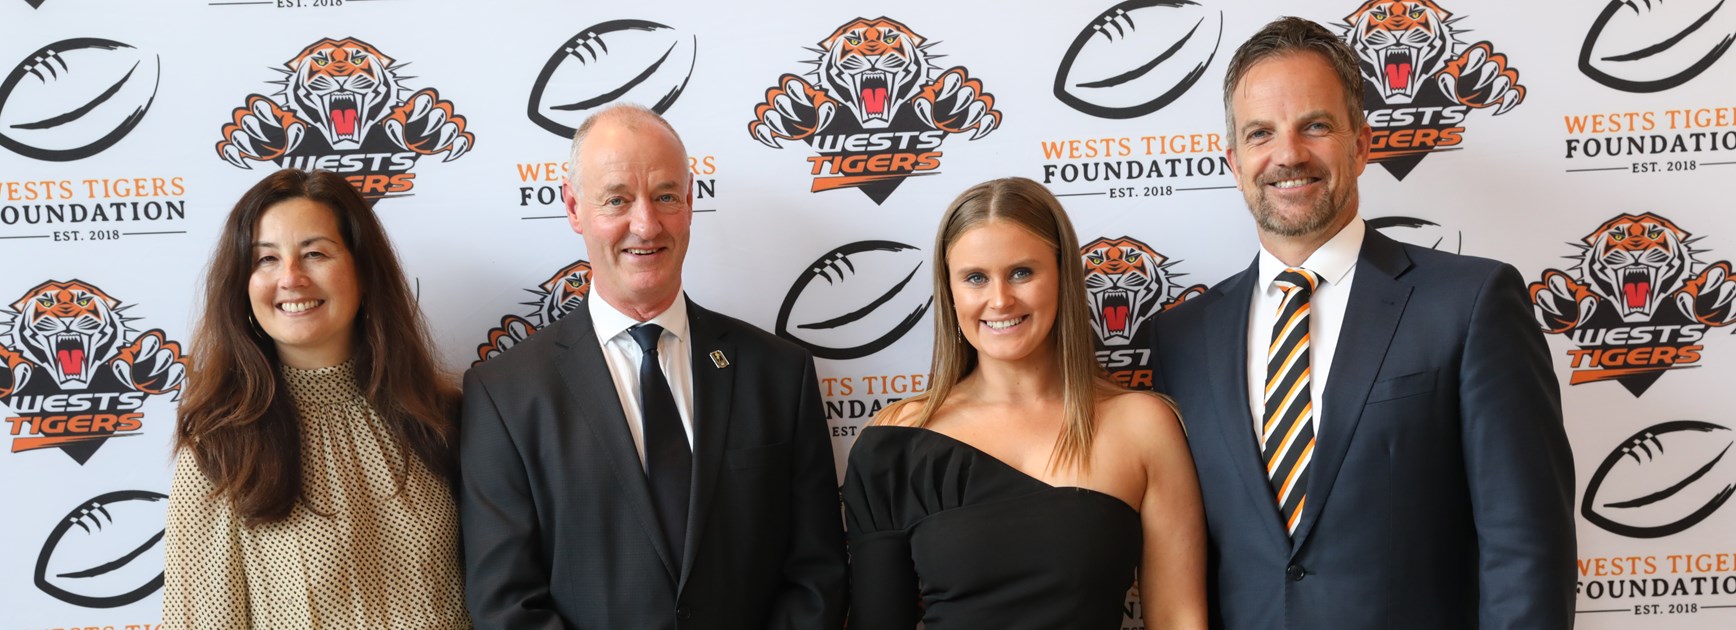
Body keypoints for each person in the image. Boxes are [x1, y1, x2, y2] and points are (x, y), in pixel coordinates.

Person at [1148, 17, 1576, 629]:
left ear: (1361, 144)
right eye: (1260, 133)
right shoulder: (1183, 338)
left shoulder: (1472, 302)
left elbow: (1527, 548)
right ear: (1235, 160)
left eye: (1315, 126)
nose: (1288, 154)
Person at [457, 103, 847, 629]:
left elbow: (816, 574)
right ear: (574, 208)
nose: (646, 224)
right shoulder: (504, 393)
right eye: (617, 199)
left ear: (689, 202)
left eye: (665, 196)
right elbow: (507, 604)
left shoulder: (780, 373)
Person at [844, 177, 1207, 630]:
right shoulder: (897, 440)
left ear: (1062, 277)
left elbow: (1179, 618)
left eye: (1022, 272)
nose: (1000, 300)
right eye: (976, 278)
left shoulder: (1143, 425)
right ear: (951, 290)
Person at [163, 168, 468, 628]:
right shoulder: (218, 451)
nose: (291, 278)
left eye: (315, 253)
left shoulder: (443, 417)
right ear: (242, 286)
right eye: (265, 259)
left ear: (363, 272)